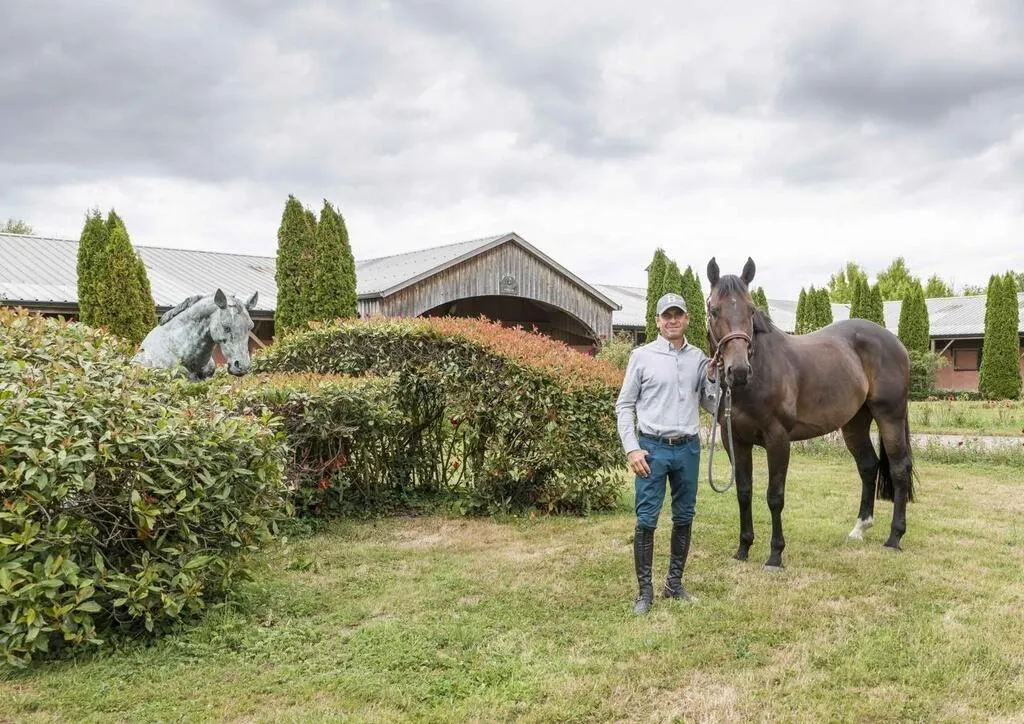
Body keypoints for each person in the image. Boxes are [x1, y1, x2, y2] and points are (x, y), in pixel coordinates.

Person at [615, 292, 720, 614]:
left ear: (687, 319)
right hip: (652, 449)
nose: (672, 320)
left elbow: (712, 405)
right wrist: (632, 448)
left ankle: (674, 584)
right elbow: (624, 404)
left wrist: (714, 381)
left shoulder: (699, 358)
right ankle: (644, 592)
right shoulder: (642, 356)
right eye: (666, 316)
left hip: (687, 449)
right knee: (647, 519)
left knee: (684, 517)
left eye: (678, 314)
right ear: (658, 321)